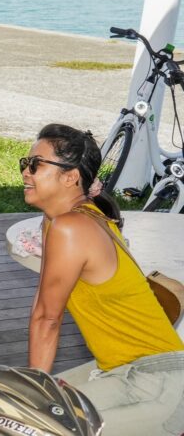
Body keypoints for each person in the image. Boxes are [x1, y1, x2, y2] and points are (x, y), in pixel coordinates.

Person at [24, 123, 184, 436]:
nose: (25, 173)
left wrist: (31, 395)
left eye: (36, 165)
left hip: (159, 380)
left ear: (70, 177)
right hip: (127, 373)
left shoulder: (71, 227)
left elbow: (47, 319)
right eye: (26, 163)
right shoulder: (61, 220)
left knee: (40, 425)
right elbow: (43, 308)